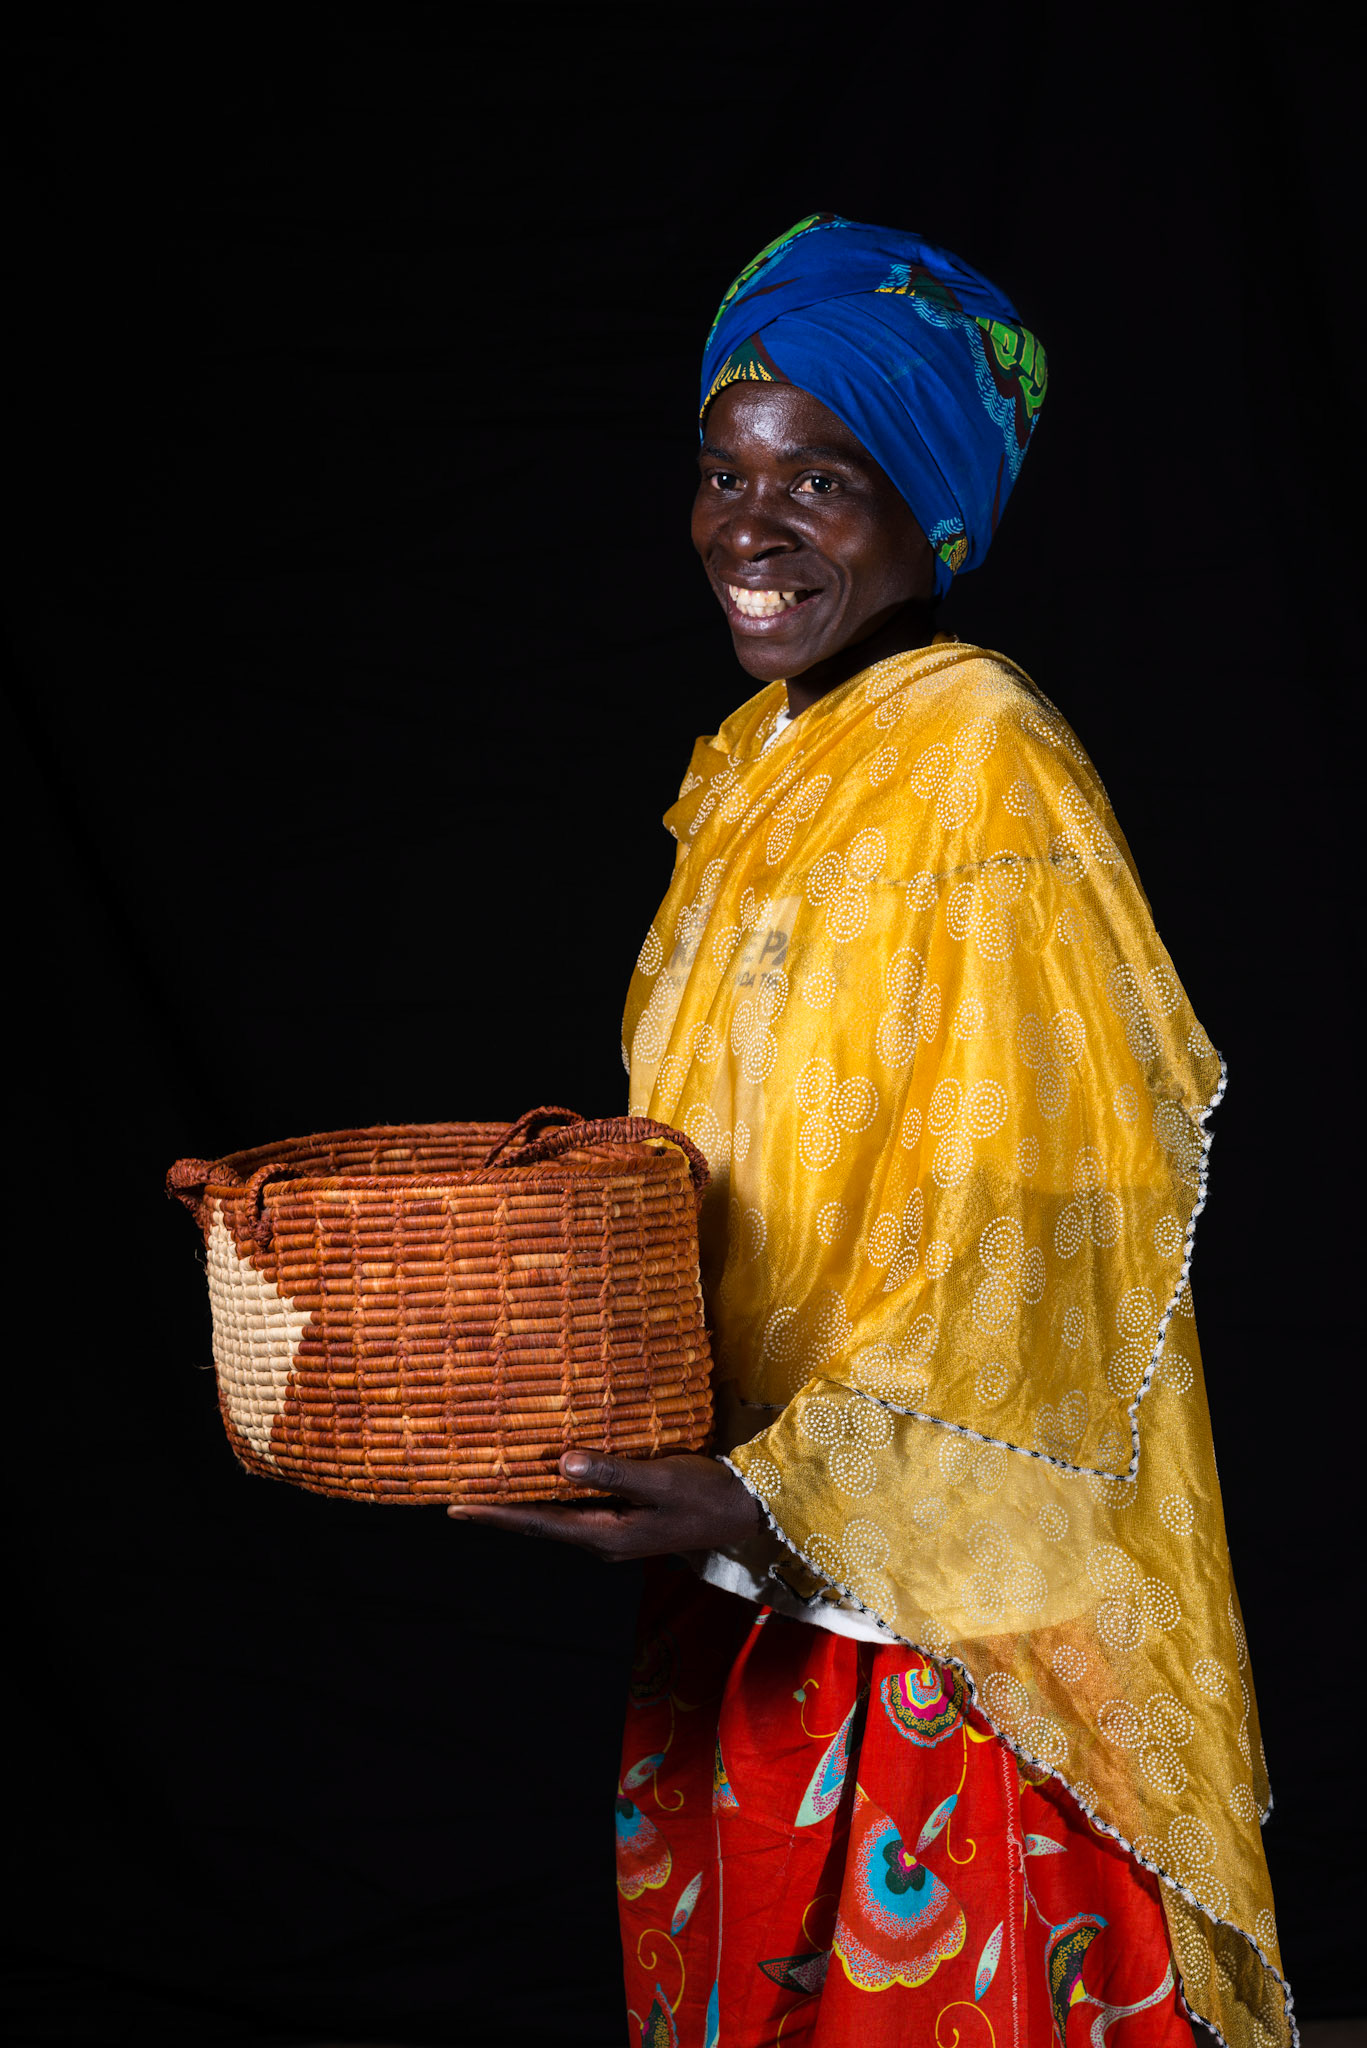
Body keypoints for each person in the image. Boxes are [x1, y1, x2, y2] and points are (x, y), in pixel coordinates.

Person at [448, 217, 1291, 2048]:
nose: (750, 529)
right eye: (724, 470)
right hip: (743, 1579)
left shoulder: (977, 753)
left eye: (822, 479)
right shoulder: (759, 771)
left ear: (933, 510)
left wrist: (785, 1492)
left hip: (949, 1636)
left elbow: (1054, 1223)